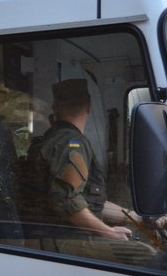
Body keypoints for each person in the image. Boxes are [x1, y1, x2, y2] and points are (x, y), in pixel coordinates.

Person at [37, 78, 147, 241]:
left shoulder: (58, 139)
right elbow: (66, 199)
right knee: (146, 252)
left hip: (65, 236)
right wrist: (108, 232)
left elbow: (92, 204)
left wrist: (138, 219)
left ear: (55, 107)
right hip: (67, 239)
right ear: (88, 105)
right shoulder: (71, 142)